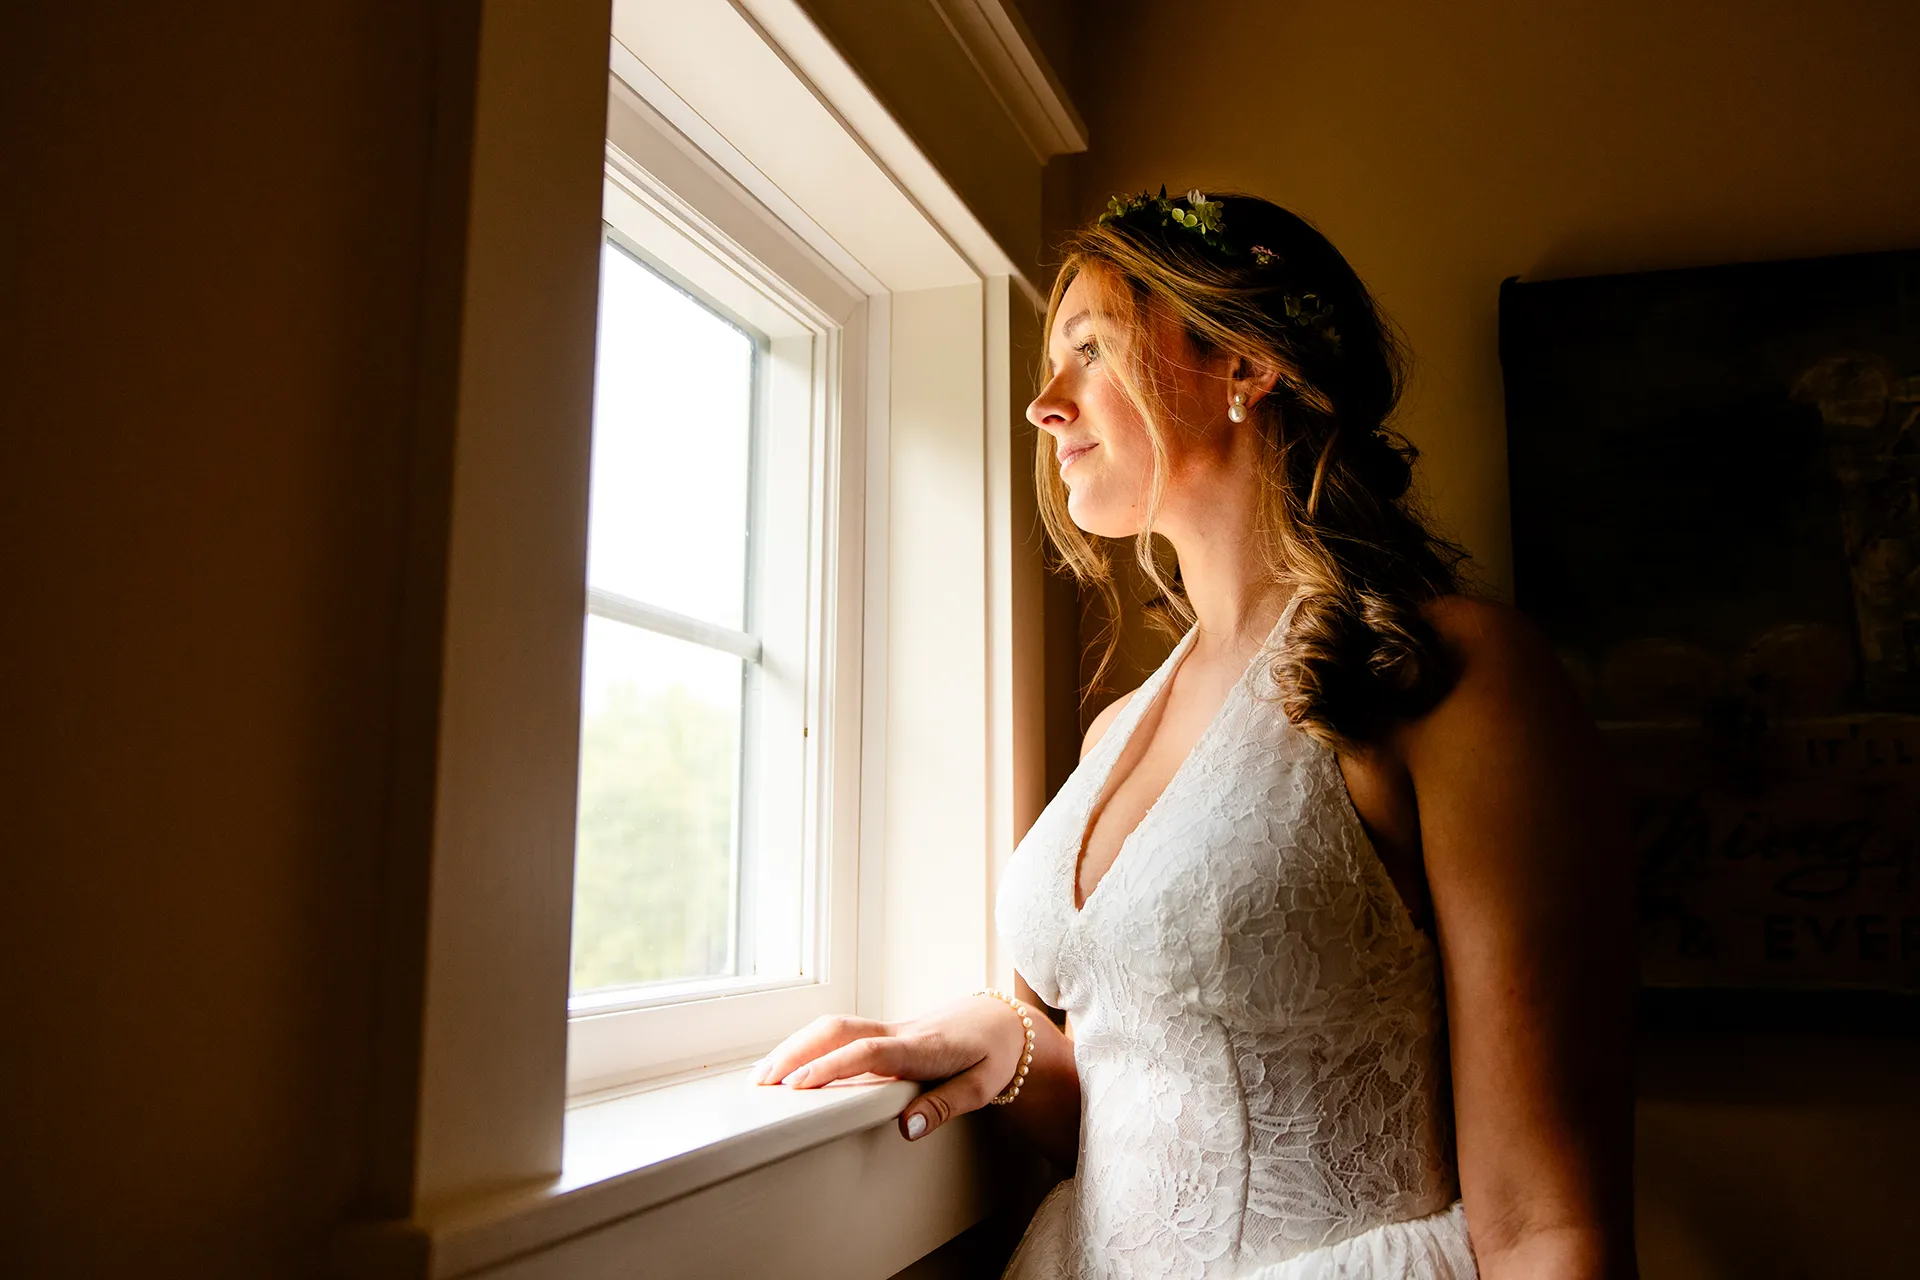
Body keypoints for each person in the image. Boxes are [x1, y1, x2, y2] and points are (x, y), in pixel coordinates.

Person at [754, 187, 1638, 1279]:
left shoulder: (1446, 674)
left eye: (1089, 347)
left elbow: (1551, 1223)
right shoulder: (1116, 729)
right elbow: (1151, 1092)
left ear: (1244, 366)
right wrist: (1010, 1045)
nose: (1043, 403)